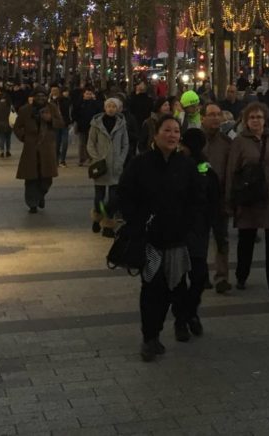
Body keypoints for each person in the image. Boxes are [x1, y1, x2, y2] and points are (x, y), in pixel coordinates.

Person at [118, 116, 203, 362]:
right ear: (155, 134)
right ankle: (150, 337)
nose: (172, 135)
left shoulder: (185, 164)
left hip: (177, 240)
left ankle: (180, 322)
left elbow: (196, 198)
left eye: (176, 131)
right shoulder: (140, 163)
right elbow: (125, 195)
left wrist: (190, 226)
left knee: (176, 286)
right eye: (167, 130)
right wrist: (137, 223)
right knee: (152, 289)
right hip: (150, 241)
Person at [225, 102, 269, 297]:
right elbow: (232, 171)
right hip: (249, 198)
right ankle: (242, 275)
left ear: (265, 119)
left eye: (259, 117)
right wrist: (230, 201)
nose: (256, 121)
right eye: (252, 117)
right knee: (246, 240)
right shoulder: (239, 142)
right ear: (245, 120)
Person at [175, 126, 220, 340]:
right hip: (177, 231)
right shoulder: (175, 166)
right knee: (178, 279)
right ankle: (181, 321)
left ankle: (189, 313)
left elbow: (215, 201)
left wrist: (217, 230)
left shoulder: (205, 169)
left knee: (199, 276)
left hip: (199, 231)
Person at [200, 103, 234, 294]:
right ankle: (201, 274)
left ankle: (222, 277)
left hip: (220, 199)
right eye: (211, 114)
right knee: (201, 240)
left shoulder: (227, 143)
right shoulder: (195, 141)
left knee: (222, 239)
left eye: (218, 114)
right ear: (203, 118)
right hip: (200, 199)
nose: (215, 118)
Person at [14, 87, 63, 213]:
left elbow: (61, 123)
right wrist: (24, 137)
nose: (40, 98)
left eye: (43, 96)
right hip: (31, 148)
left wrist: (50, 120)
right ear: (33, 97)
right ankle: (32, 203)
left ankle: (40, 195)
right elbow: (17, 127)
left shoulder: (52, 108)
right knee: (31, 178)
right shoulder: (25, 110)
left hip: (47, 148)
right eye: (38, 96)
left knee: (47, 178)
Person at [87, 97, 130, 236]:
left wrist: (121, 159)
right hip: (100, 166)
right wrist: (96, 158)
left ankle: (108, 225)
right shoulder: (96, 124)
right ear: (105, 108)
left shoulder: (122, 124)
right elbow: (91, 143)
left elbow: (125, 144)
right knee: (98, 196)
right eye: (108, 106)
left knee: (113, 198)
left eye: (114, 106)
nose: (111, 109)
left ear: (118, 109)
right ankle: (97, 217)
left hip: (115, 166)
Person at [71, 86, 101, 164]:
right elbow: (74, 112)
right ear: (84, 94)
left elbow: (99, 112)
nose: (88, 95)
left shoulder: (95, 103)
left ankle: (91, 157)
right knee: (82, 143)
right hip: (82, 125)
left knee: (91, 142)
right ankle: (82, 158)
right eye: (87, 94)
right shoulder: (79, 103)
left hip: (92, 126)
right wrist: (76, 120)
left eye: (90, 94)